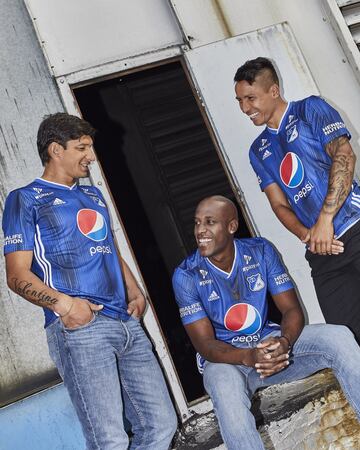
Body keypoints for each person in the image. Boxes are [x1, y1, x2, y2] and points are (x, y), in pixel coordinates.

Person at [2, 113, 177, 450]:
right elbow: (17, 274)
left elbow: (106, 247)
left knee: (161, 424)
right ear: (56, 150)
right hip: (80, 330)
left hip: (125, 323)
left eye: (91, 147)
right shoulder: (25, 199)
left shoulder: (92, 196)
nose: (92, 156)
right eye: (82, 148)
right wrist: (66, 306)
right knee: (109, 440)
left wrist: (134, 290)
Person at [172, 195, 360, 450]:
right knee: (225, 389)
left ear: (231, 226)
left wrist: (284, 342)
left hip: (267, 347)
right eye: (196, 223)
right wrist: (247, 356)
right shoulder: (186, 275)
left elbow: (292, 310)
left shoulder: (260, 250)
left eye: (210, 222)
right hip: (225, 361)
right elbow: (205, 345)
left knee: (338, 337)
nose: (200, 231)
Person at [233, 56, 360, 341]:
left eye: (250, 98)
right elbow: (279, 204)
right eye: (239, 101)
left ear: (274, 91)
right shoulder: (258, 150)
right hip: (322, 251)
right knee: (348, 336)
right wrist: (309, 235)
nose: (245, 108)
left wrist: (325, 219)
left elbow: (344, 156)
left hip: (356, 225)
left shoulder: (310, 108)